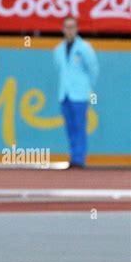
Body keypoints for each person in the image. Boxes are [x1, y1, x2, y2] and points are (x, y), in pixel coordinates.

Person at [53, 17, 99, 169]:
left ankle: (79, 159)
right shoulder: (58, 49)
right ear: (63, 29)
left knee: (79, 126)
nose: (69, 30)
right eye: (67, 27)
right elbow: (61, 70)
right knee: (70, 127)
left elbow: (93, 70)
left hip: (80, 95)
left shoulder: (85, 48)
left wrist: (86, 87)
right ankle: (74, 157)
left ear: (77, 28)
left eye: (72, 27)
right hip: (64, 94)